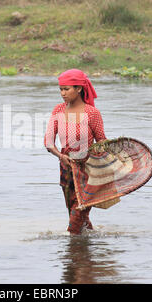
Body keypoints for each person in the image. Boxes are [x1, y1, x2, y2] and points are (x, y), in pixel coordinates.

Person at [44, 69, 107, 235]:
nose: (62, 93)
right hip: (66, 170)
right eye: (61, 89)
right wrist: (61, 156)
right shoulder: (58, 110)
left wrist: (102, 160)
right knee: (78, 215)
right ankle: (81, 251)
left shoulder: (92, 113)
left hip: (88, 170)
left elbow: (102, 141)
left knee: (77, 213)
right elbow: (48, 142)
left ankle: (71, 241)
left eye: (67, 89)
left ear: (79, 89)